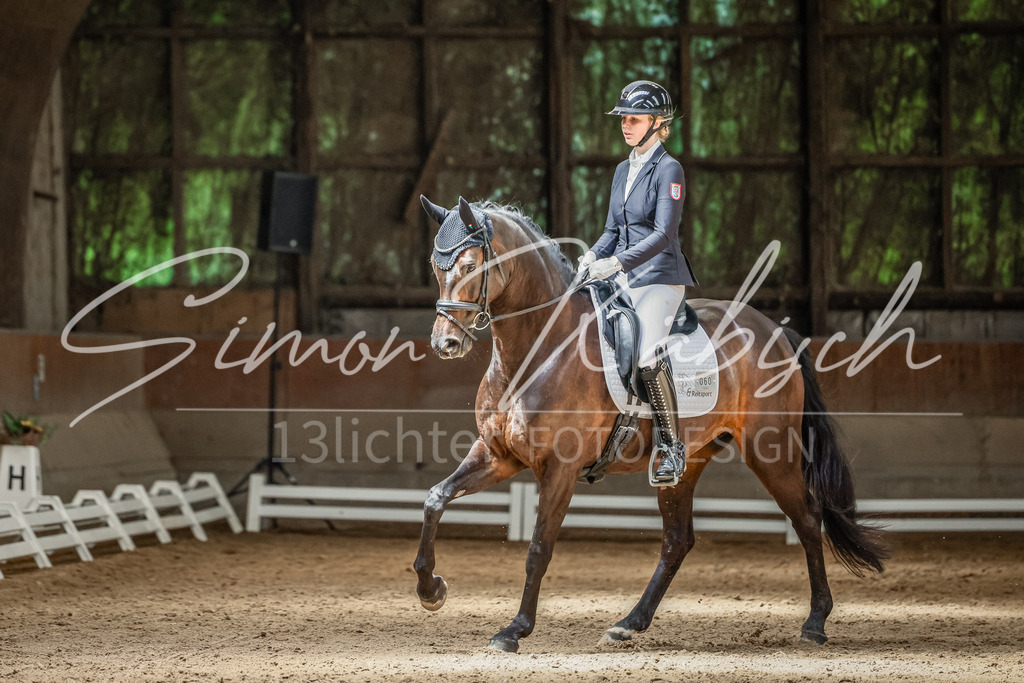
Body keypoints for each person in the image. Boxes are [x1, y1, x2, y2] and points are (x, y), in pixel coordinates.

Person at [578, 80, 698, 486]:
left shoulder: (669, 169)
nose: (625, 126)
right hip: (622, 275)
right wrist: (591, 256)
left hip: (660, 279)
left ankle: (671, 447)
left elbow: (664, 234)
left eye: (634, 119)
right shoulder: (621, 170)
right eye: (623, 119)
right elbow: (613, 228)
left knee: (647, 355)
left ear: (657, 123)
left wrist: (615, 263)